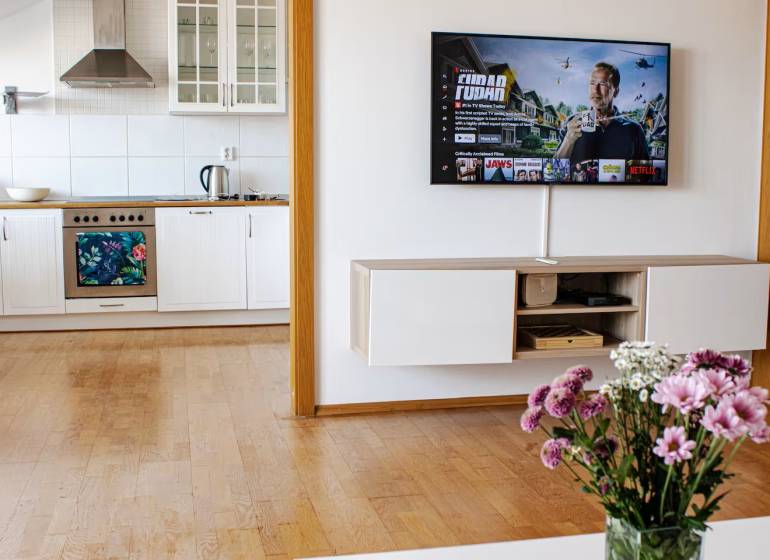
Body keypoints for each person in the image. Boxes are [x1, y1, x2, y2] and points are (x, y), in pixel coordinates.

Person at [555, 62, 650, 166]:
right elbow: (555, 170)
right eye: (592, 83)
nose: (595, 90)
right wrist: (568, 140)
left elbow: (646, 174)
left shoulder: (634, 129)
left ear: (616, 91)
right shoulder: (572, 123)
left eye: (603, 84)